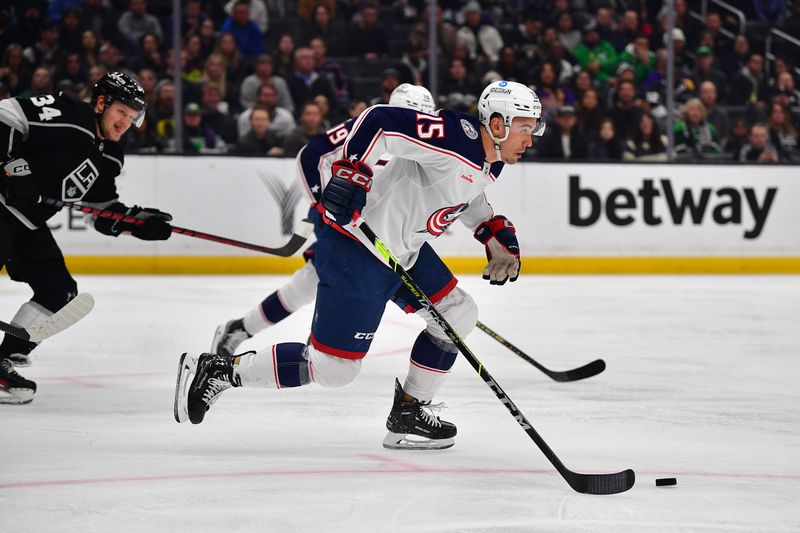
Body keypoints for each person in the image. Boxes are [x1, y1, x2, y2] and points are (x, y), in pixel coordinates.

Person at [175, 80, 544, 452]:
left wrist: (492, 231)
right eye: (525, 128)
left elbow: (469, 194)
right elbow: (379, 120)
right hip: (359, 247)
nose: (530, 140)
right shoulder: (455, 136)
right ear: (497, 124)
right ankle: (219, 371)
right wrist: (354, 170)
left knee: (459, 311)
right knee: (334, 369)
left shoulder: (491, 163)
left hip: (403, 251)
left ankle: (409, 413)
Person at [210, 83, 437, 359]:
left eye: (424, 119)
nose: (417, 125)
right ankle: (248, 330)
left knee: (308, 282)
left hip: (373, 233)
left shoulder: (428, 146)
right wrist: (325, 206)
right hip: (343, 226)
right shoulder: (367, 127)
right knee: (312, 282)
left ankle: (242, 329)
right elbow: (311, 155)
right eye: (412, 117)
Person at [0, 72, 173, 404]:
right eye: (121, 111)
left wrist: (137, 224)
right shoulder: (71, 115)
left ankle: (4, 358)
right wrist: (11, 167)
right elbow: (7, 113)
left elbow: (101, 209)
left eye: (133, 115)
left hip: (25, 222)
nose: (126, 121)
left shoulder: (110, 155)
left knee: (59, 290)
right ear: (100, 103)